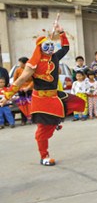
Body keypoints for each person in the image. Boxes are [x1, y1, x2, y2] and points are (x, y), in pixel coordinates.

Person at [0, 23, 85, 166]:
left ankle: (55, 121)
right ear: (40, 47)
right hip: (41, 100)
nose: (50, 47)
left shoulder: (55, 58)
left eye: (51, 44)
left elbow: (65, 48)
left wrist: (61, 32)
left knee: (77, 102)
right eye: (46, 45)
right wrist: (7, 95)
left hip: (54, 96)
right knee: (43, 132)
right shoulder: (33, 63)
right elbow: (20, 80)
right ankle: (44, 156)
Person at [13, 56, 33, 125]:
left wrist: (28, 87)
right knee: (23, 105)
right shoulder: (18, 70)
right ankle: (23, 120)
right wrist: (18, 88)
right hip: (21, 90)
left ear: (25, 63)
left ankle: (32, 118)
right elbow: (15, 80)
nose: (19, 64)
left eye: (20, 63)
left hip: (30, 89)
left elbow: (34, 80)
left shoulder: (31, 70)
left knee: (31, 105)